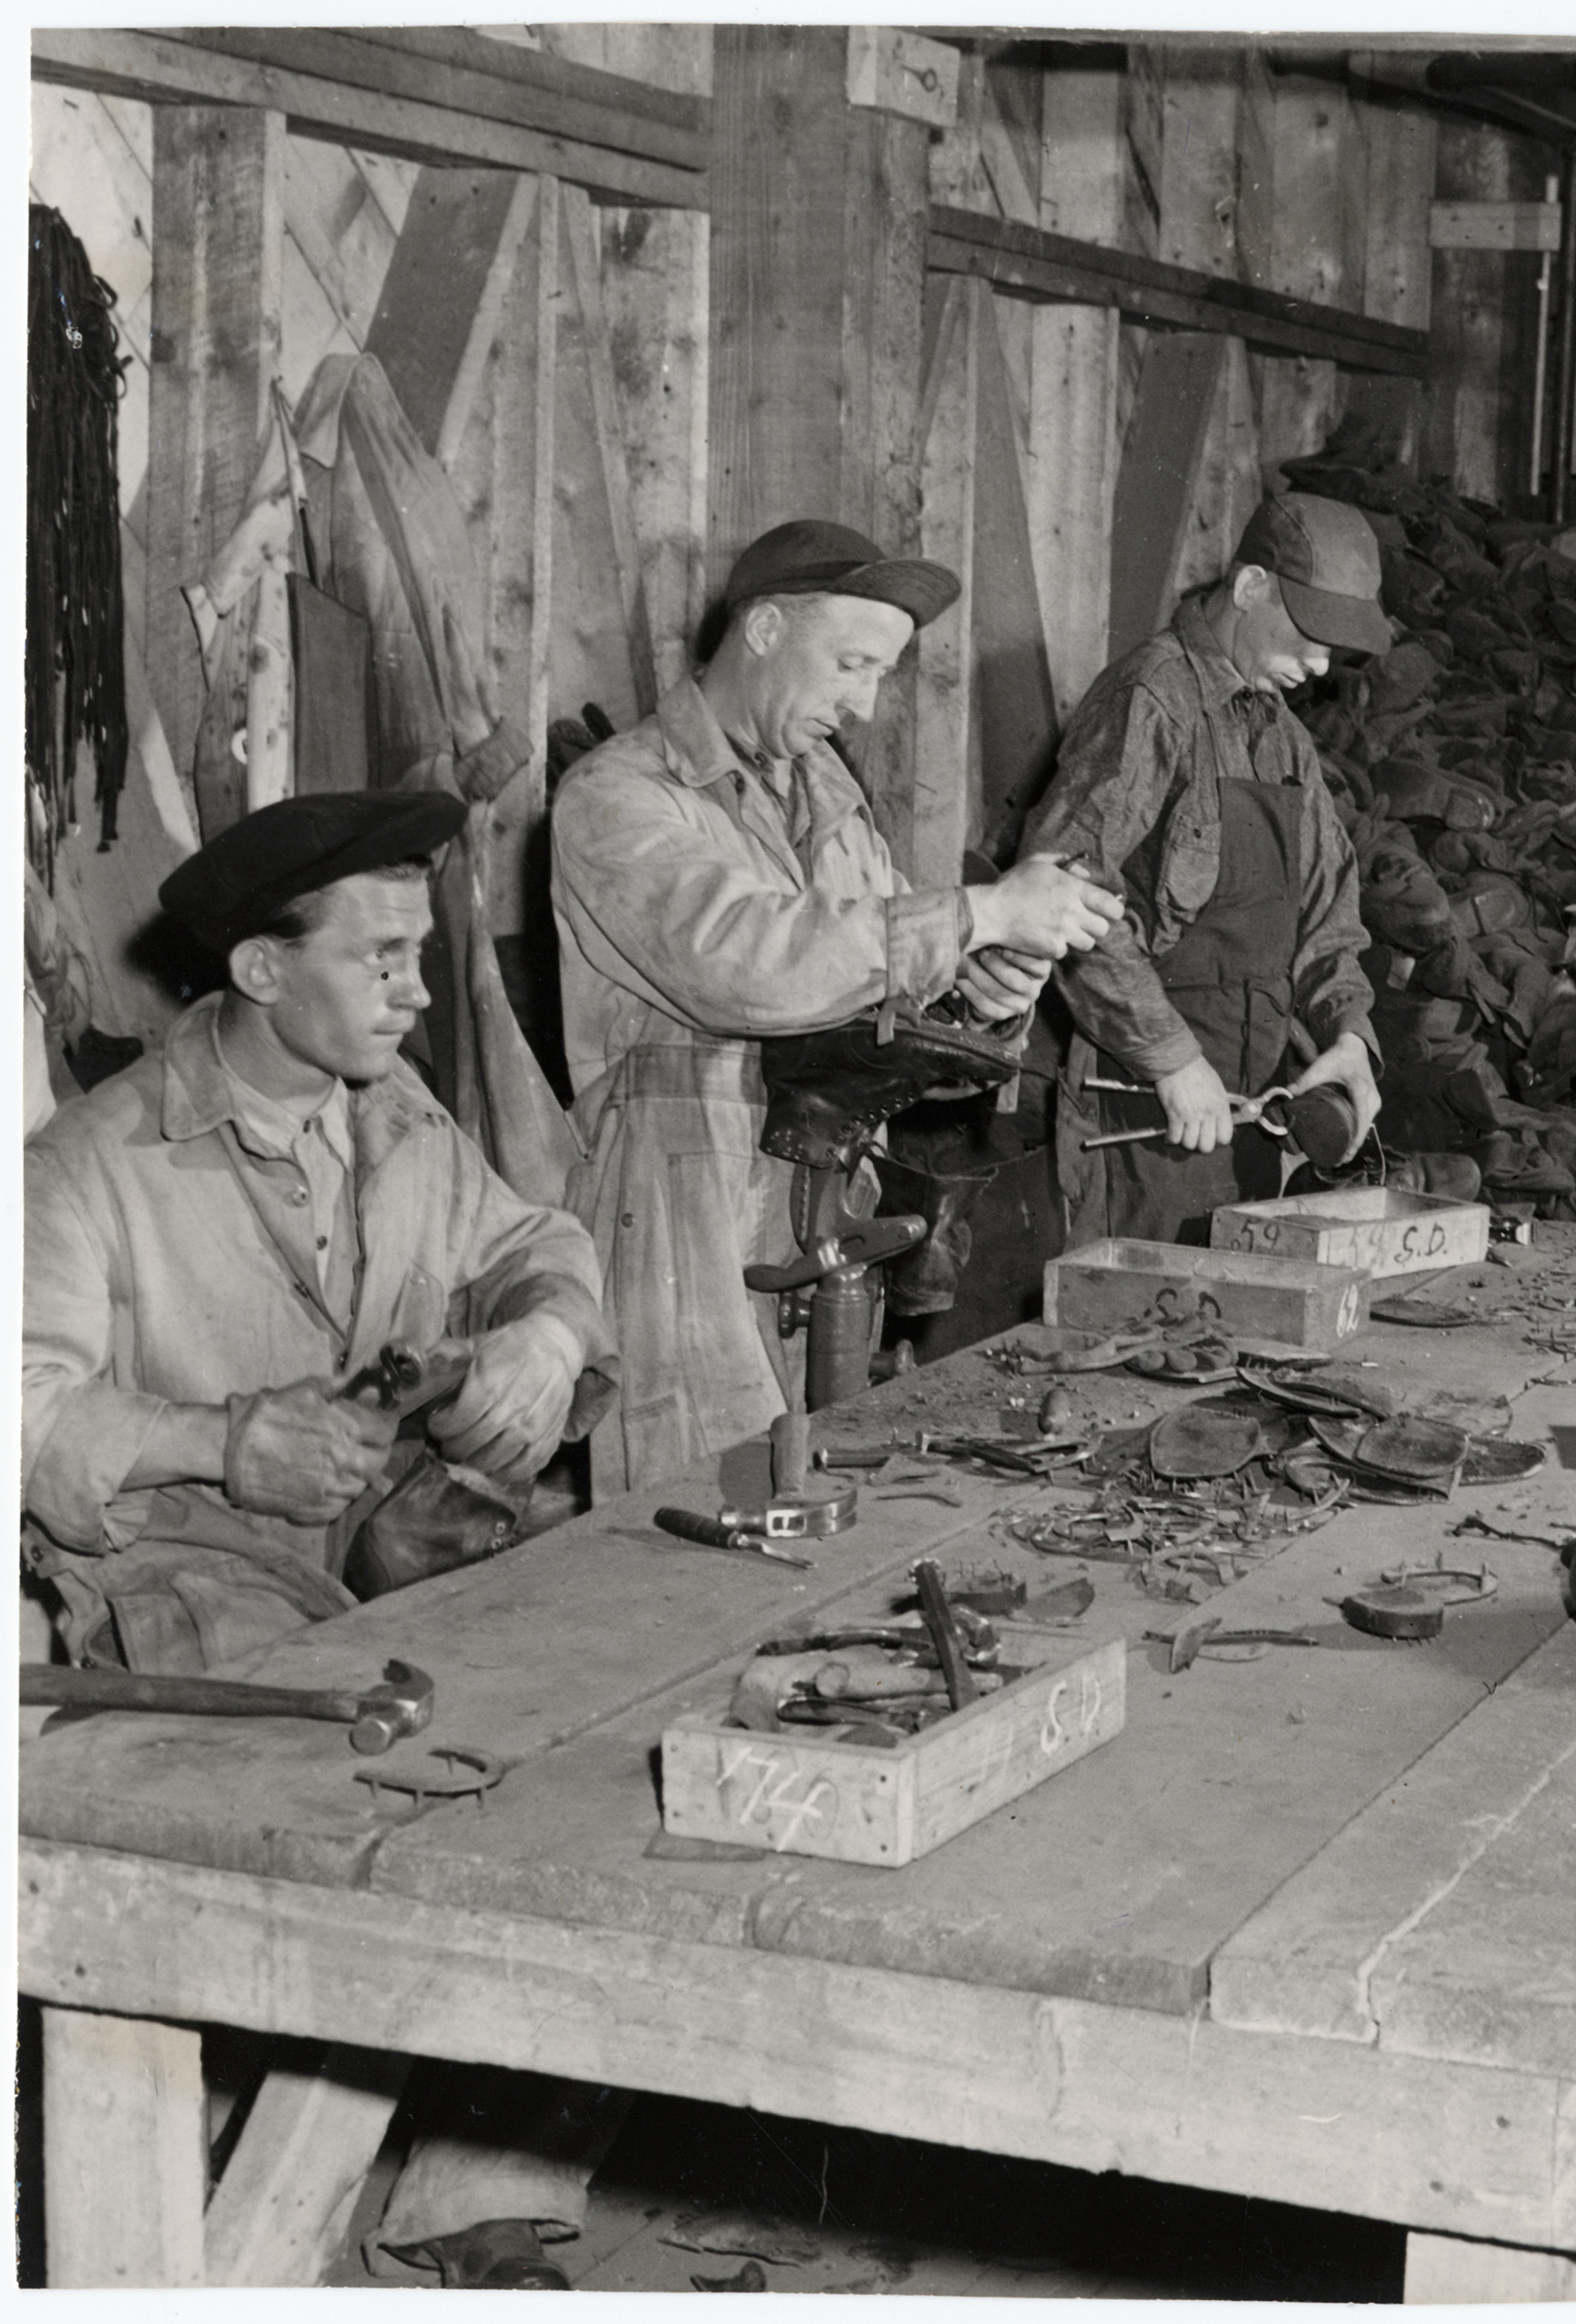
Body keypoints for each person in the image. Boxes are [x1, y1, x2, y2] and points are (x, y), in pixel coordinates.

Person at [22, 791, 630, 2289]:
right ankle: (232, 2197)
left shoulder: (394, 1114)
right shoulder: (88, 1164)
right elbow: (22, 1408)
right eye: (383, 957)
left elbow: (537, 1241)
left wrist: (545, 1335)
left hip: (380, 1557)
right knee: (324, 1822)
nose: (420, 988)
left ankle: (474, 2180)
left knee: (580, 1773)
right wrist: (218, 1440)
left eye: (422, 952)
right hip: (186, 1585)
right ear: (260, 971)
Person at [553, 519, 1123, 1489]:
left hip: (821, 1211)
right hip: (679, 1222)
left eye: (880, 675)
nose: (863, 704)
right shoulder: (619, 795)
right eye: (852, 665)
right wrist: (977, 912)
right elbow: (749, 963)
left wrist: (988, 990)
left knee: (821, 1497)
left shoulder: (830, 804)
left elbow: (886, 1005)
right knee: (702, 1507)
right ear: (765, 628)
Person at [1017, 494, 1390, 1245]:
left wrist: (1350, 1037)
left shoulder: (1282, 738)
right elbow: (1067, 887)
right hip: (1141, 1109)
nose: (1320, 666)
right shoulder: (1151, 700)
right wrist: (1171, 1057)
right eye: (1309, 635)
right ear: (1251, 587)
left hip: (1250, 1113)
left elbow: (1328, 913)